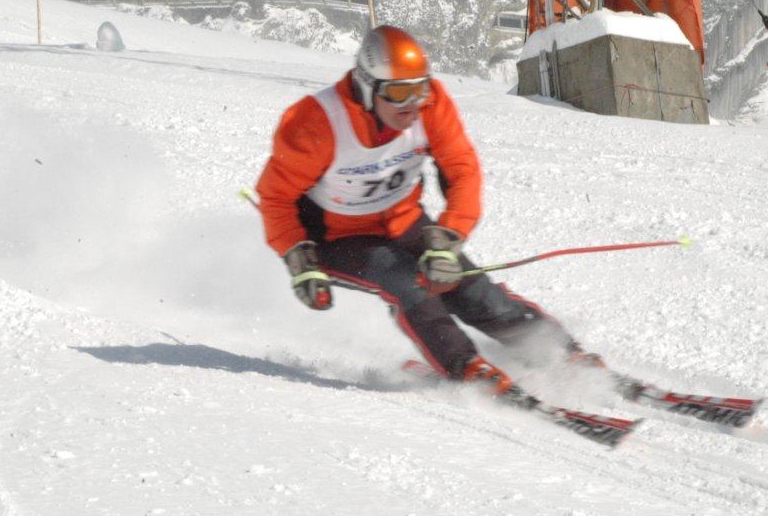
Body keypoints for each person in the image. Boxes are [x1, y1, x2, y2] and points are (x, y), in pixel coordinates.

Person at [255, 25, 598, 397]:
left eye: (418, 89)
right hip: (336, 237)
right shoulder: (317, 121)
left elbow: (462, 170)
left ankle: (557, 352)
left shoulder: (429, 104)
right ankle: (465, 367)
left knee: (468, 285)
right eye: (398, 93)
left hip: (402, 218)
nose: (411, 104)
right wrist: (300, 261)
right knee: (408, 283)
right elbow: (276, 197)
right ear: (368, 87)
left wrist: (448, 239)